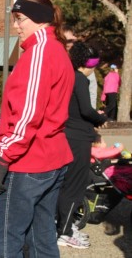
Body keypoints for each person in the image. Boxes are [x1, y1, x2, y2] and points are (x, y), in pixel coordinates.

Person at [0, 0, 75, 258]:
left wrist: (3, 159)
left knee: (6, 240)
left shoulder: (40, 53)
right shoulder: (57, 50)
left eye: (20, 19)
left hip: (28, 162)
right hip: (51, 158)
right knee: (42, 237)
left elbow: (28, 116)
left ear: (38, 20)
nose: (16, 26)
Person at [56, 41, 108, 248]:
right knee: (75, 187)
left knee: (66, 184)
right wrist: (100, 119)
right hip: (78, 138)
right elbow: (86, 110)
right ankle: (65, 232)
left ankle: (63, 226)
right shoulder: (80, 80)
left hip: (69, 135)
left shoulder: (69, 77)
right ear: (89, 63)